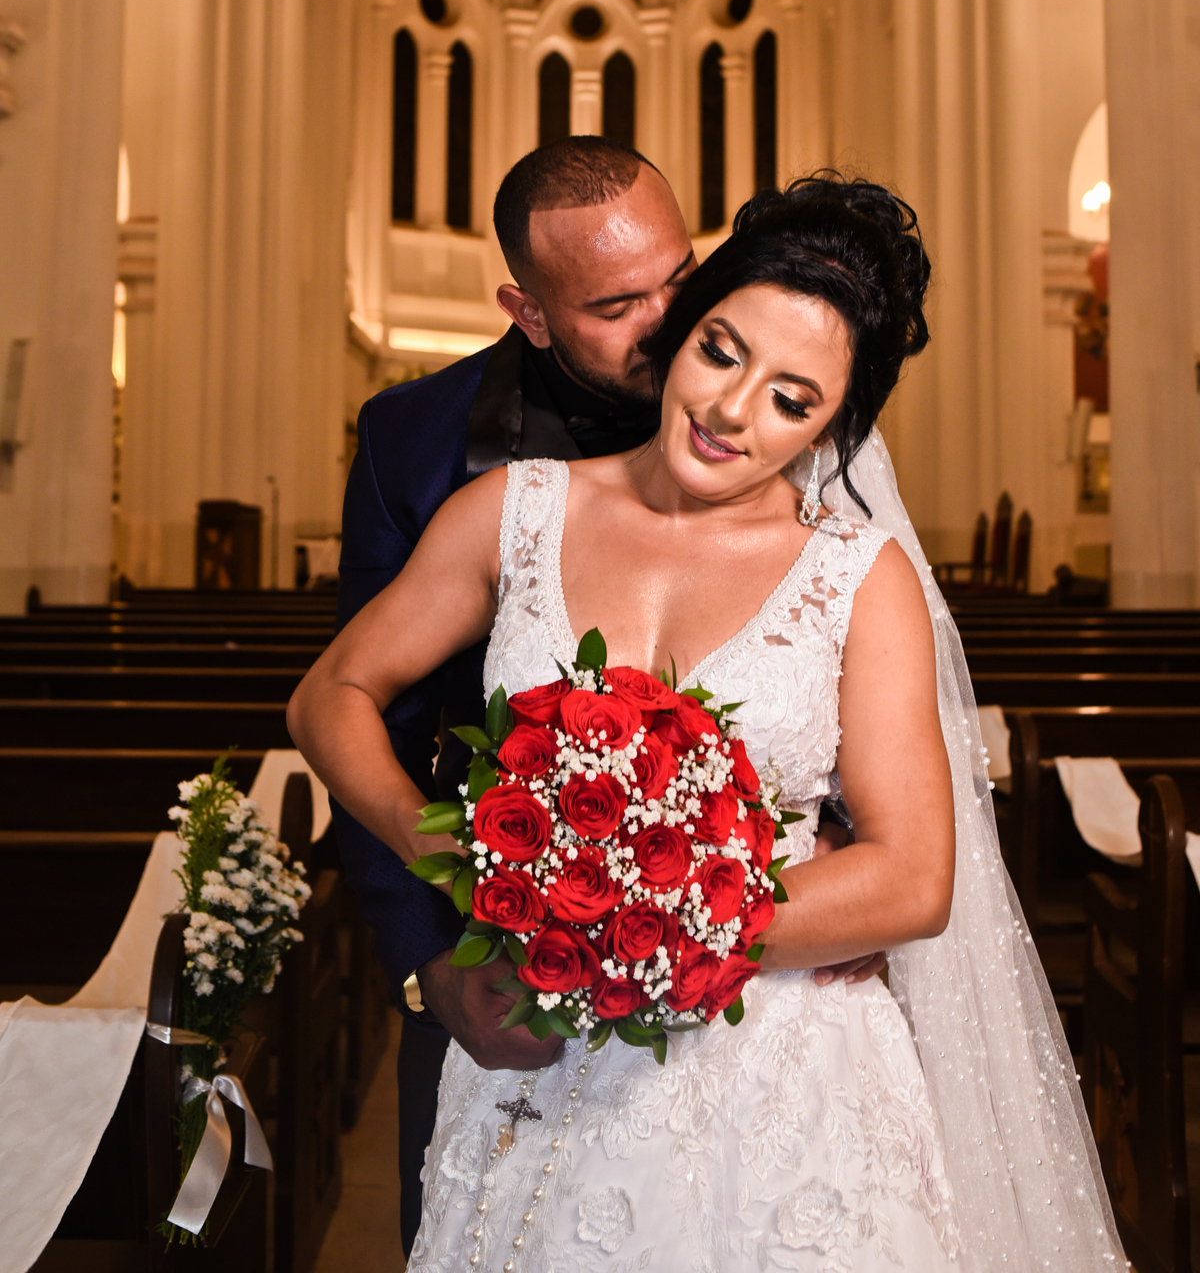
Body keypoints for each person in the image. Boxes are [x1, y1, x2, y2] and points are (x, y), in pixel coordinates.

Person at [293, 174, 1123, 1271]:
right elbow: (330, 697)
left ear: (836, 424)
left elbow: (914, 877)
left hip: (780, 1076)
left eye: (794, 399)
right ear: (686, 327)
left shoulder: (855, 578)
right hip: (536, 1066)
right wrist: (448, 846)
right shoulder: (517, 509)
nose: (733, 412)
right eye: (723, 352)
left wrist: (640, 926)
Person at [332, 138, 879, 1253]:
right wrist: (431, 954)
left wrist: (823, 867)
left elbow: (845, 678)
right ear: (529, 313)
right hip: (497, 953)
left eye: (683, 277)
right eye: (621, 304)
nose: (673, 324)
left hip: (757, 982)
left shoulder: (762, 392)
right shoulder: (418, 446)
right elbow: (364, 713)